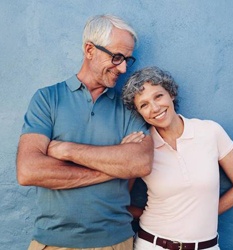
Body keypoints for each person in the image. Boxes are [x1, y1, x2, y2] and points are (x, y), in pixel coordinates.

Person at [16, 14, 154, 250]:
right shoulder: (47, 99)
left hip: (115, 243)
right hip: (53, 243)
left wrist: (66, 150)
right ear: (90, 49)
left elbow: (140, 163)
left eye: (127, 60)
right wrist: (113, 168)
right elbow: (29, 171)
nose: (122, 68)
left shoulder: (129, 107)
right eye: (117, 57)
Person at [122, 66, 233, 250]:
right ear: (140, 113)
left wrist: (207, 213)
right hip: (153, 244)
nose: (155, 108)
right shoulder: (142, 146)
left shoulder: (210, 132)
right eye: (144, 105)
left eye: (158, 96)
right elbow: (119, 201)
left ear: (171, 94)